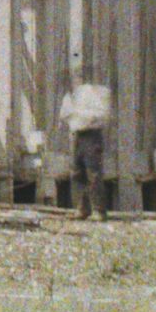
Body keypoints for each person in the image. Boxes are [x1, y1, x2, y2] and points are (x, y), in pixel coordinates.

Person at [56, 71, 112, 220]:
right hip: (76, 134)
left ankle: (99, 210)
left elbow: (100, 114)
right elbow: (64, 114)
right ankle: (82, 208)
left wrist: (79, 113)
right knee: (76, 172)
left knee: (93, 172)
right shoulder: (69, 97)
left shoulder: (90, 92)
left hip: (91, 134)